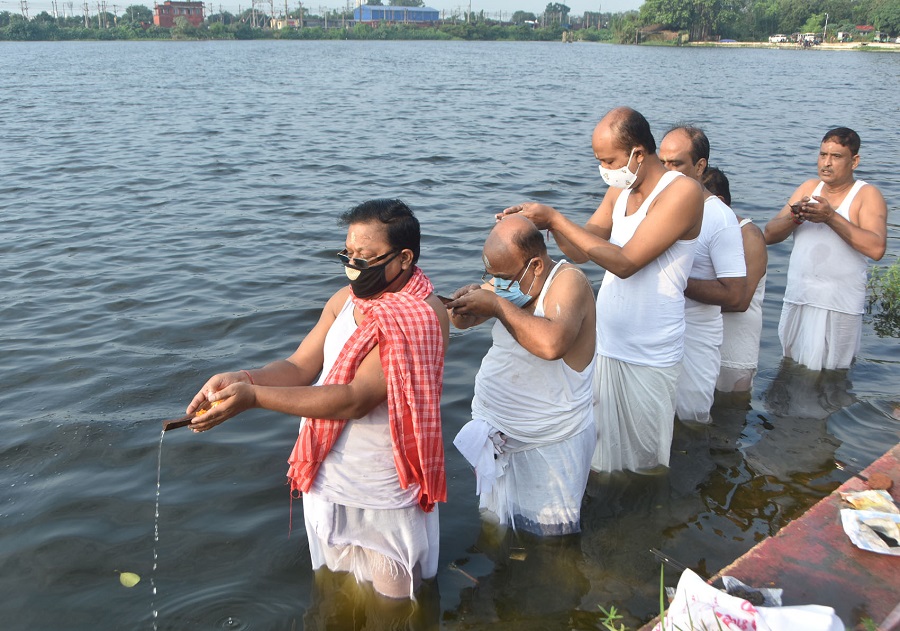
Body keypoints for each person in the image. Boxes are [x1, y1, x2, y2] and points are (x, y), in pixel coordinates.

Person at [184, 199, 450, 600]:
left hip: (382, 490)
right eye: (350, 254)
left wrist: (254, 397)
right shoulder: (344, 301)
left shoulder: (421, 315)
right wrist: (243, 377)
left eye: (367, 257)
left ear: (404, 258)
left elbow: (354, 399)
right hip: (327, 478)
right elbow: (299, 367)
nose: (354, 266)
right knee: (336, 594)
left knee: (394, 609)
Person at [502, 106, 704, 473]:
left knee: (643, 465)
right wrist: (538, 230)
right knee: (598, 458)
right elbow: (580, 251)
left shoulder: (683, 192)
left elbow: (625, 263)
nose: (605, 170)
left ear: (638, 154)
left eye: (609, 160)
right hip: (606, 342)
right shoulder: (620, 192)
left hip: (650, 352)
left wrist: (557, 218)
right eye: (600, 161)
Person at [447, 215, 596, 536]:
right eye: (490, 276)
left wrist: (497, 305)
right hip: (498, 429)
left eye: (501, 277)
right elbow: (461, 322)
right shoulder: (509, 282)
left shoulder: (568, 280)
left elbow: (551, 344)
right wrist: (464, 304)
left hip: (550, 439)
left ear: (536, 266)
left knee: (551, 539)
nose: (496, 283)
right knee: (494, 525)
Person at [764, 127, 888, 371]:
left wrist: (831, 217)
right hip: (799, 297)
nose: (827, 163)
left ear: (854, 161)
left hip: (838, 305)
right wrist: (795, 217)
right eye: (823, 155)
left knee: (831, 378)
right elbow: (769, 234)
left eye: (836, 157)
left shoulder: (866, 194)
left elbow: (876, 248)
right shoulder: (809, 188)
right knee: (790, 370)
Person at [658, 126, 746, 420]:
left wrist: (674, 279)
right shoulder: (657, 205)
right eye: (663, 163)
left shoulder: (719, 217)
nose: (667, 172)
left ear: (700, 166)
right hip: (656, 335)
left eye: (677, 164)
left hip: (695, 339)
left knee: (691, 421)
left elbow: (734, 295)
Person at [701, 167, 768, 393]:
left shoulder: (749, 236)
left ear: (719, 202)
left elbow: (739, 301)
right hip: (701, 340)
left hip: (734, 350)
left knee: (731, 414)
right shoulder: (696, 230)